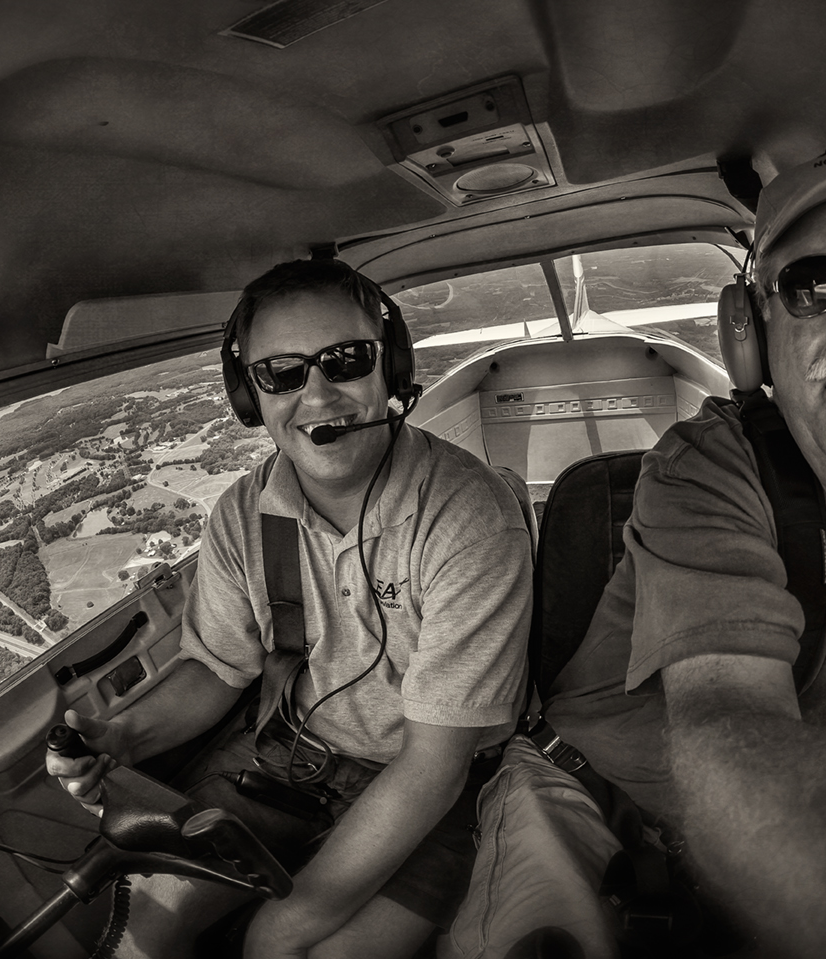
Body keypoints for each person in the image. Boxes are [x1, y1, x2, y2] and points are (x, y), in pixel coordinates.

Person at [445, 147, 826, 959]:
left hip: (791, 838)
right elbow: (724, 723)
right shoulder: (702, 466)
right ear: (751, 332)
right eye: (814, 283)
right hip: (586, 799)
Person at [47, 258, 533, 958]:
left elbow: (434, 765)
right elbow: (216, 670)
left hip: (434, 793)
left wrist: (287, 922)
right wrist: (120, 737)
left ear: (390, 369)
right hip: (286, 759)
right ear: (251, 398)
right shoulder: (243, 513)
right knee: (137, 933)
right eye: (281, 373)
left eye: (345, 361)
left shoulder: (466, 515)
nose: (318, 396)